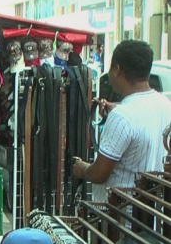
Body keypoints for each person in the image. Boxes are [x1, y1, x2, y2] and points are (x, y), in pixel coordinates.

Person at [73, 40, 171, 203]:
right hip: (152, 217)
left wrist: (83, 169)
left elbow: (99, 174)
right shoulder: (166, 105)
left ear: (117, 70)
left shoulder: (122, 117)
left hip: (118, 219)